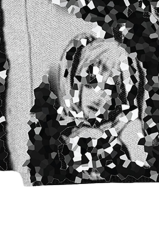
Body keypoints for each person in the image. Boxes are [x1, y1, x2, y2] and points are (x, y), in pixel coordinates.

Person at [56, 33, 148, 181]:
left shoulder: (128, 133)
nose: (99, 97)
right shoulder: (58, 128)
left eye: (111, 90)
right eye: (91, 81)